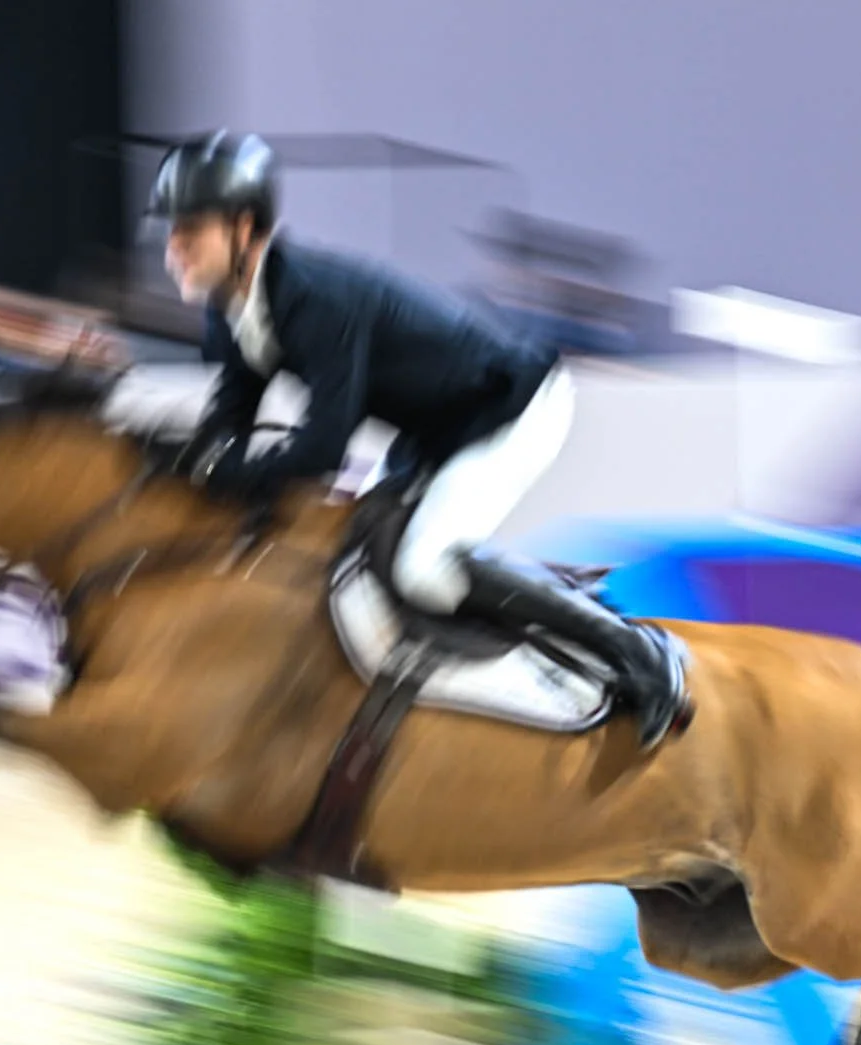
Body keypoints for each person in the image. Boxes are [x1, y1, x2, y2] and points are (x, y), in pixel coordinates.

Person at [148, 131, 689, 748]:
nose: (174, 248)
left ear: (245, 230)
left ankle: (640, 655)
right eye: (171, 232)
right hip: (434, 432)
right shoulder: (230, 311)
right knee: (354, 554)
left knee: (425, 568)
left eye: (189, 230)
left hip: (511, 408)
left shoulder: (318, 299)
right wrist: (183, 463)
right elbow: (229, 422)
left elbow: (323, 448)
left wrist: (219, 473)